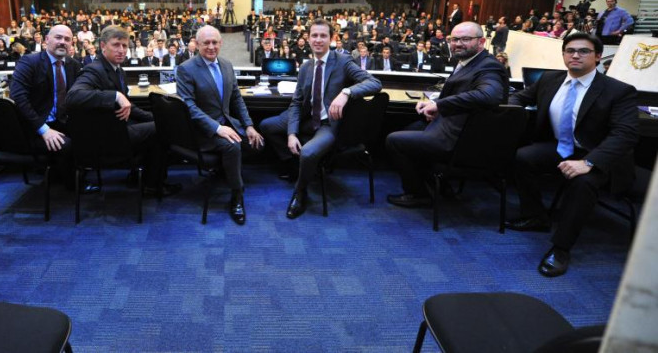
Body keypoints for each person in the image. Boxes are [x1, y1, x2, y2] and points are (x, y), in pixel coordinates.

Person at [505, 33, 638, 277]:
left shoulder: (618, 91)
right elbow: (519, 97)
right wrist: (511, 107)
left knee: (582, 182)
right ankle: (536, 217)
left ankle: (561, 248)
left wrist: (589, 162)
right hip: (561, 147)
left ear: (598, 57)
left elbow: (624, 135)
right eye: (570, 50)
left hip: (599, 155)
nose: (575, 55)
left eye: (584, 51)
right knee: (522, 157)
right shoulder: (549, 79)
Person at [259, 19, 381, 219]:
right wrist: (291, 134)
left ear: (332, 38)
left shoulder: (342, 61)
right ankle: (293, 164)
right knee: (266, 126)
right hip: (307, 117)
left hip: (327, 125)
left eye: (323, 36)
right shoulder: (306, 66)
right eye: (314, 35)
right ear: (308, 38)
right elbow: (297, 103)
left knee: (307, 153)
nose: (318, 40)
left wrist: (346, 92)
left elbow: (374, 83)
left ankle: (300, 192)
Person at [386, 22, 508, 207]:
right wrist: (437, 106)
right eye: (454, 39)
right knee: (412, 128)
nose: (458, 43)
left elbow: (488, 95)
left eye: (465, 39)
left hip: (459, 139)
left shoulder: (488, 67)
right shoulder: (468, 62)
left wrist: (439, 105)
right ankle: (439, 185)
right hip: (453, 125)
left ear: (481, 42)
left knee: (394, 140)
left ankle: (418, 194)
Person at [65, 26, 180, 195]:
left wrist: (153, 116)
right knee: (161, 130)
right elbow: (73, 97)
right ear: (103, 46)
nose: (121, 50)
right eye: (116, 45)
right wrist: (115, 96)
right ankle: (153, 185)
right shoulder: (94, 69)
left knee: (159, 124)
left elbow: (129, 107)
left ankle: (143, 178)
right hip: (106, 137)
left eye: (125, 46)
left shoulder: (119, 70)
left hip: (116, 130)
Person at [176, 26, 264, 225]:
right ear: (197, 44)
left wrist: (249, 125)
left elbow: (236, 99)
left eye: (215, 42)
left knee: (258, 142)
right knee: (232, 146)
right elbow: (189, 107)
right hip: (203, 131)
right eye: (206, 43)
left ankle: (226, 169)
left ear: (220, 43)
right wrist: (217, 128)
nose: (211, 46)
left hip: (227, 123)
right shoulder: (186, 69)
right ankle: (236, 194)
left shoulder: (226, 65)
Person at [9, 25, 99, 194]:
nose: (62, 42)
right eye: (58, 37)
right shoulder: (30, 62)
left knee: (94, 133)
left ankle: (65, 172)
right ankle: (74, 185)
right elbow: (18, 98)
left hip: (62, 120)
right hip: (36, 127)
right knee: (67, 145)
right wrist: (43, 130)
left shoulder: (73, 64)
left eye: (67, 39)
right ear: (46, 40)